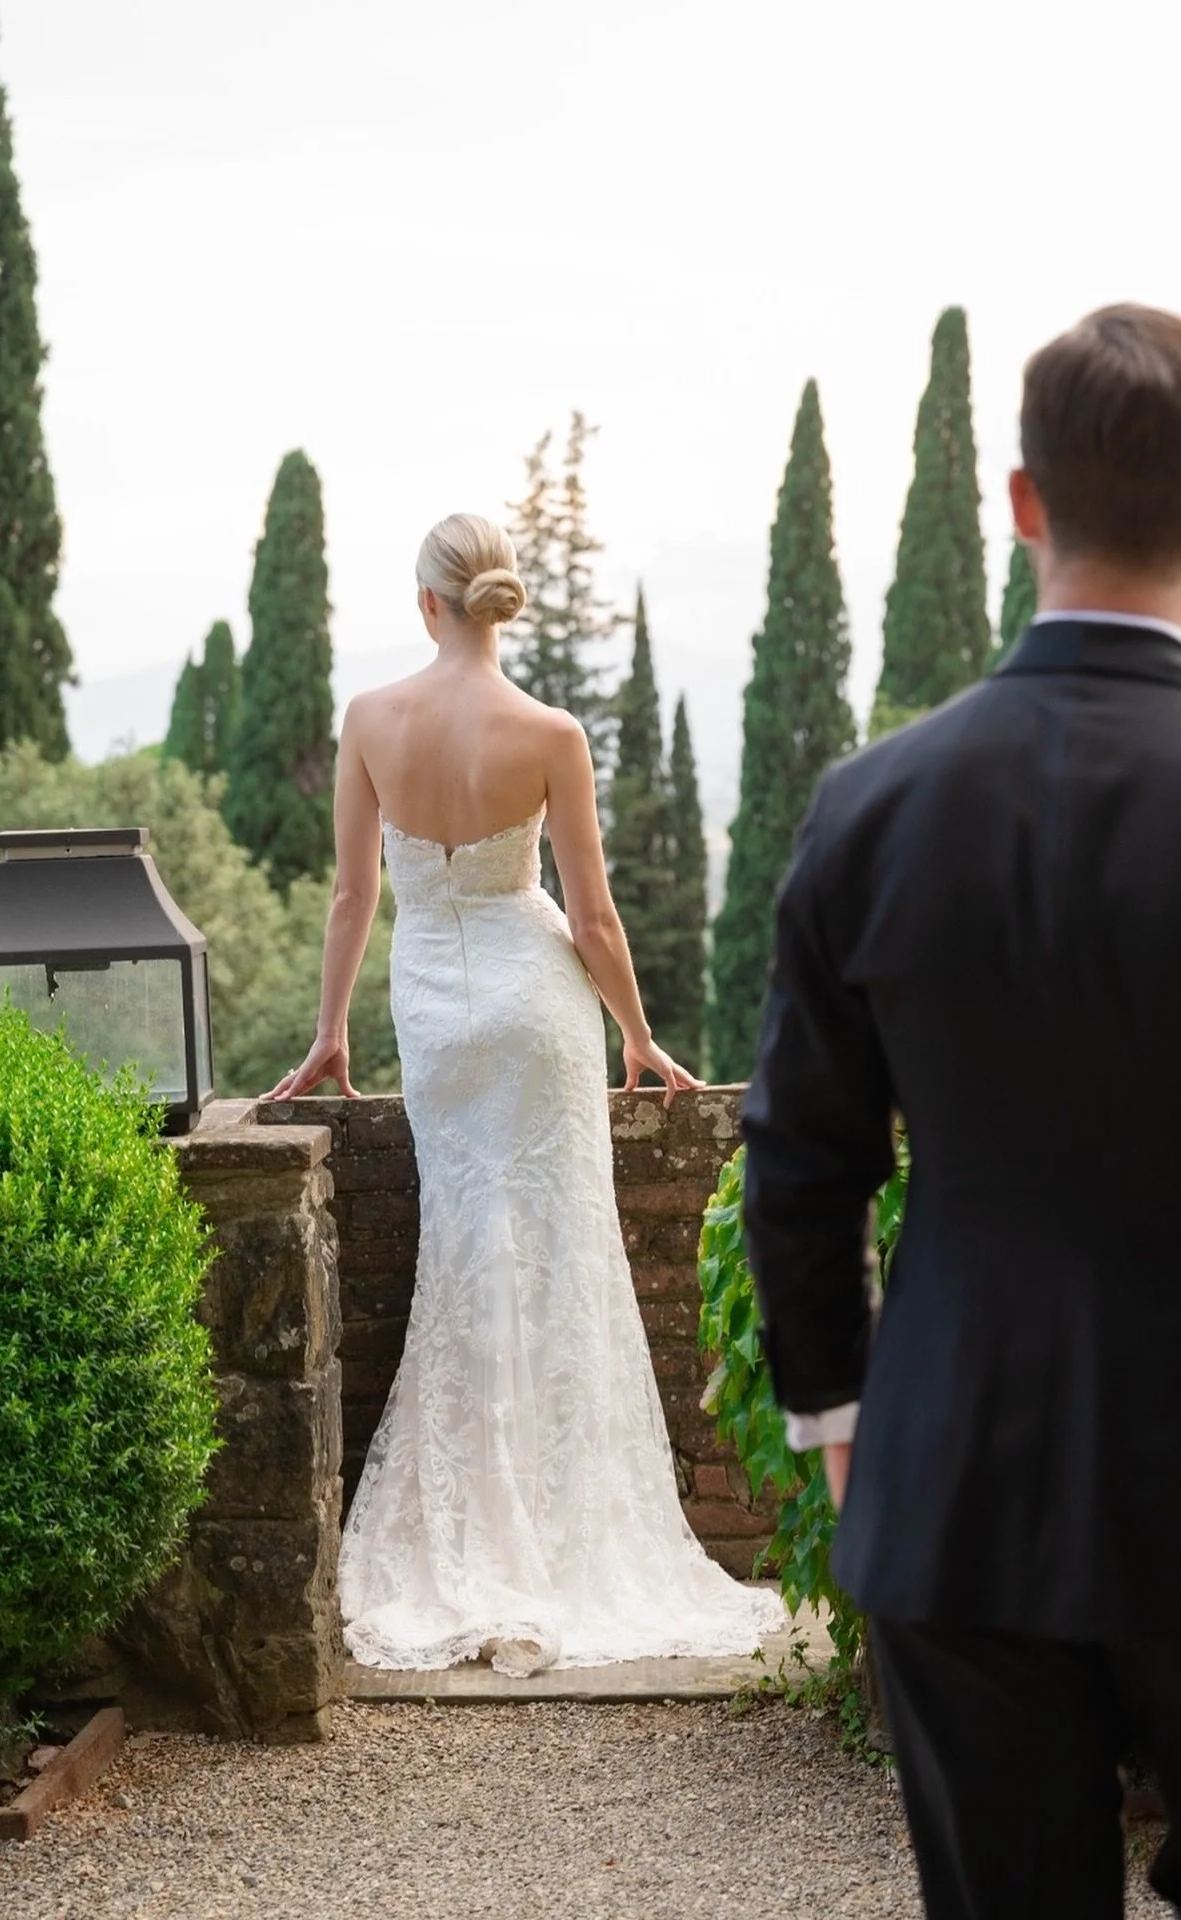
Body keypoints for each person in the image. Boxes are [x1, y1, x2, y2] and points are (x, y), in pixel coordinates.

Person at [742, 306, 1181, 1917]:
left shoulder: (867, 814)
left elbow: (801, 1164)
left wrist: (836, 1420)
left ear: (1021, 502)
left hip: (956, 1478)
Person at [272, 513, 781, 1676]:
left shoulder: (370, 722)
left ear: (425, 603)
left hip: (438, 1014)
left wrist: (329, 1032)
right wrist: (640, 1036)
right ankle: (566, 1538)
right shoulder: (551, 733)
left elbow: (354, 899)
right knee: (560, 1255)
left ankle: (475, 1530)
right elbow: (593, 917)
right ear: (497, 602)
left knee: (470, 1249)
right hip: (538, 1003)